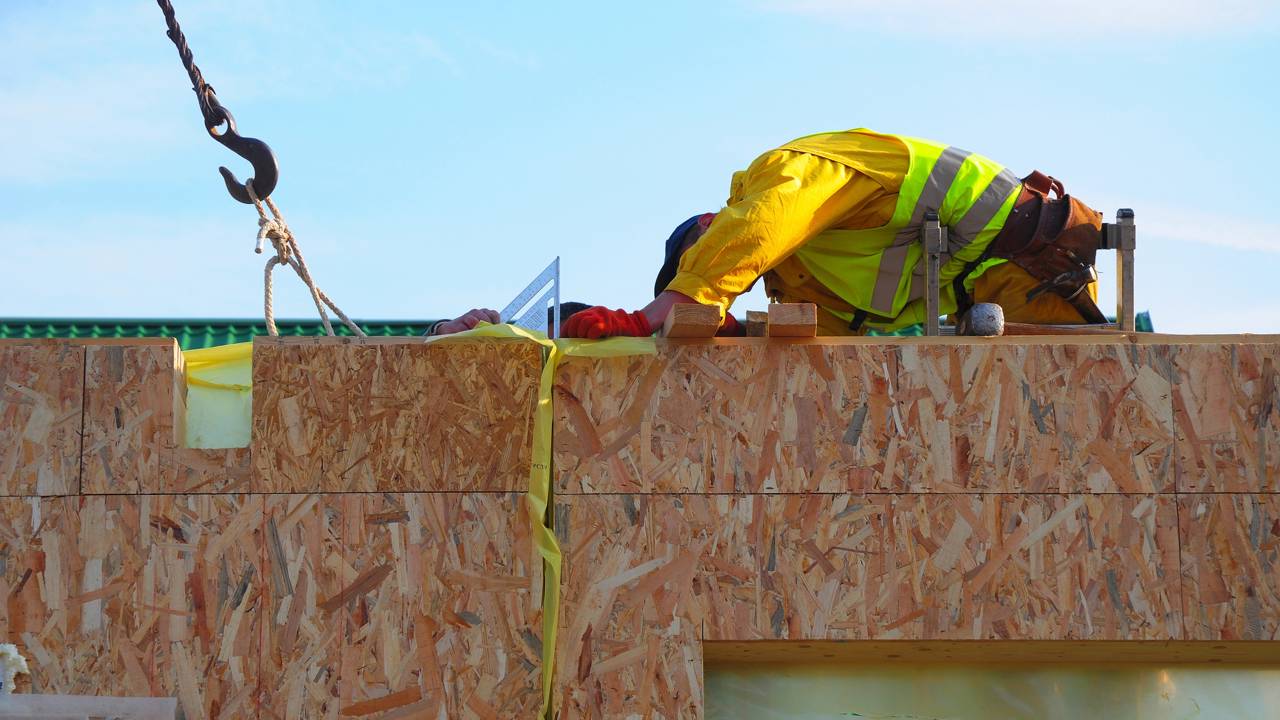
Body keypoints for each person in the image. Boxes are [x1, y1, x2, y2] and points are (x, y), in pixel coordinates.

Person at [559, 128, 1109, 338]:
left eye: (693, 260)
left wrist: (655, 313)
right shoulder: (802, 277)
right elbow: (833, 340)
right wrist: (732, 337)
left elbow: (763, 223)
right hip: (1025, 296)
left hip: (1036, 239)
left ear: (709, 225)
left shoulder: (778, 173)